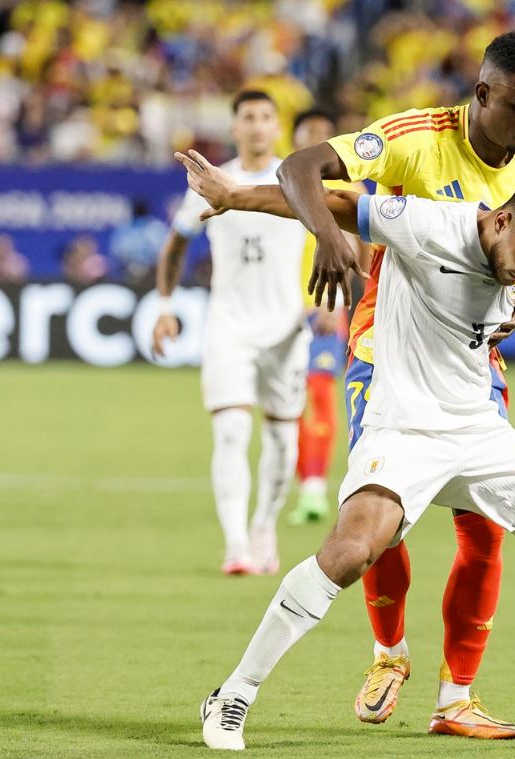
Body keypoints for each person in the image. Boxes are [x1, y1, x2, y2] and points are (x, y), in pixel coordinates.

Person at [176, 164, 515, 754]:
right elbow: (333, 199)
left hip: (479, 431)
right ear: (501, 219)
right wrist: (235, 195)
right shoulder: (429, 223)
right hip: (403, 428)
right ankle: (233, 694)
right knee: (352, 550)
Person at [179, 32, 515, 739]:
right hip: (383, 354)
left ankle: (457, 697)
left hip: (475, 363)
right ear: (485, 93)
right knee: (382, 526)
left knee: (486, 530)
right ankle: (388, 651)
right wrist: (243, 196)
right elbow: (323, 186)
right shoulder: (413, 138)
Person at [151, 89, 310, 576]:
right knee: (231, 430)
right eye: (248, 117)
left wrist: (334, 299)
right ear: (235, 127)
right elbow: (176, 243)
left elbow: (339, 234)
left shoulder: (300, 178)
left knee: (283, 442)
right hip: (229, 325)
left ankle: (264, 524)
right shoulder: (211, 181)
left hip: (287, 326)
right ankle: (236, 544)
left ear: (276, 125)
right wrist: (165, 305)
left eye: (266, 116)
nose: (258, 125)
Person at [286, 107, 367, 526]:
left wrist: (336, 302)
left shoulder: (347, 188)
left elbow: (357, 251)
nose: (316, 139)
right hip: (280, 311)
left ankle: (314, 488)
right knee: (287, 402)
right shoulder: (281, 184)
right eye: (308, 132)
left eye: (324, 134)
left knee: (319, 395)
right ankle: (301, 483)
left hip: (322, 308)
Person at [109, 200, 169, 289]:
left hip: (151, 274)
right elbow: (118, 254)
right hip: (128, 273)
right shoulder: (125, 228)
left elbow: (163, 253)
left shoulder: (155, 227)